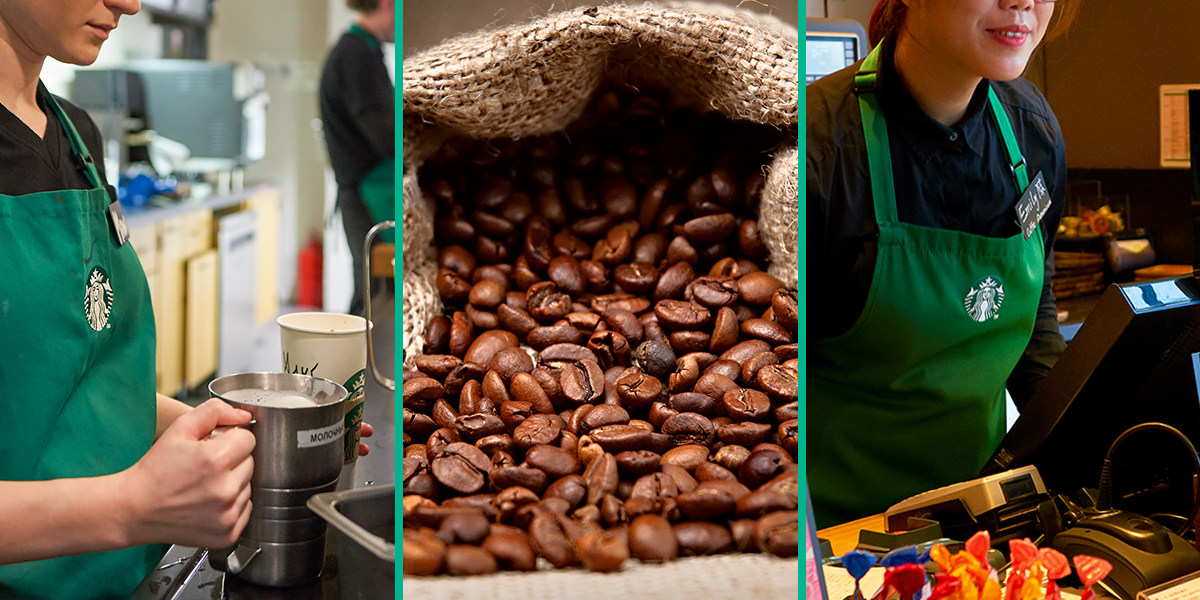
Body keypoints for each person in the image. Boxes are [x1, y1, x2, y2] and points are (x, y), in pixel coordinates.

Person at [0, 2, 370, 597]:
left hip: (134, 573)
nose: (130, 2)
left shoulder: (76, 134)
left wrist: (263, 430)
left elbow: (78, 389)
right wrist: (128, 507)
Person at [807, 0, 1082, 528]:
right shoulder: (818, 150)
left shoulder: (1032, 129)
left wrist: (1086, 447)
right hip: (837, 544)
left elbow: (1035, 320)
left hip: (984, 527)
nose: (1022, 2)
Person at [319, 0, 396, 317]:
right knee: (375, 295)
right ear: (387, 3)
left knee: (371, 288)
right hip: (369, 194)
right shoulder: (356, 55)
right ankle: (361, 367)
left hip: (366, 191)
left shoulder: (360, 50)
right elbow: (385, 134)